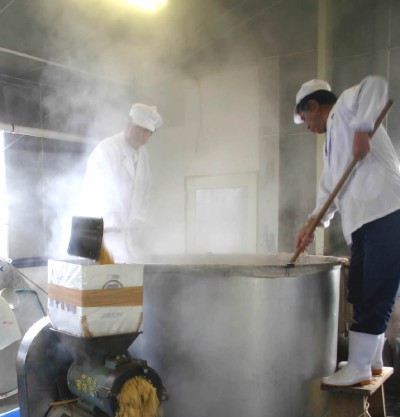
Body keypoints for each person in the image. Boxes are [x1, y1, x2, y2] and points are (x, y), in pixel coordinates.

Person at [293, 75, 400, 387]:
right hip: (364, 224)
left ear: (314, 105)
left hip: (387, 212)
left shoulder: (348, 105)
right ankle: (369, 360)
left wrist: (364, 128)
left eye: (305, 119)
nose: (308, 126)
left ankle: (359, 367)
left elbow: (377, 84)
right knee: (361, 290)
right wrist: (312, 223)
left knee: (374, 289)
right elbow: (329, 190)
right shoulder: (331, 145)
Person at [78, 103, 163, 263]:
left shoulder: (143, 154)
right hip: (103, 238)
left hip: (128, 241)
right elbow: (101, 190)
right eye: (139, 128)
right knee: (105, 282)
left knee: (128, 282)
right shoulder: (107, 149)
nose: (143, 135)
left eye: (148, 132)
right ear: (128, 125)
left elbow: (145, 193)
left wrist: (139, 220)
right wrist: (117, 219)